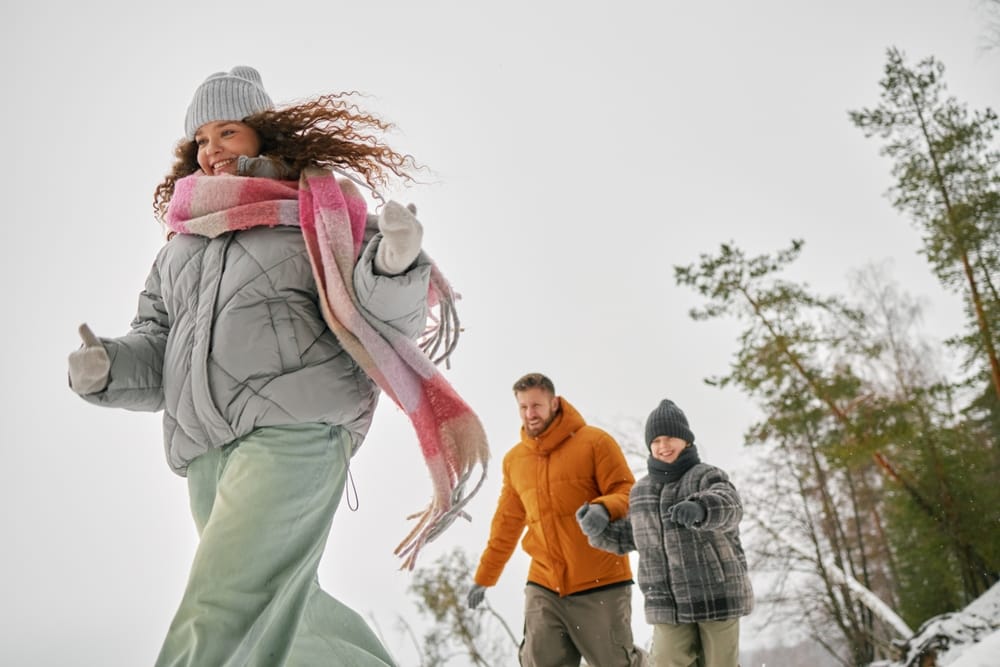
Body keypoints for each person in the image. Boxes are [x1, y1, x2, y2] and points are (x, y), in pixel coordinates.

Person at [67, 66, 487, 667]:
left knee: (224, 601)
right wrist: (107, 368)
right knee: (290, 609)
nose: (211, 151)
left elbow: (377, 315)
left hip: (298, 431)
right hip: (206, 451)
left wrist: (395, 264)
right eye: (201, 140)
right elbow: (156, 346)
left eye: (227, 132)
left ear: (264, 135)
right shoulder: (179, 247)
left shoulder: (312, 213)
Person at [467, 372, 647, 666]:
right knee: (539, 661)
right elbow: (507, 523)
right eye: (523, 407)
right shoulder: (515, 461)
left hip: (600, 581)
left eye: (536, 405)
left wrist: (604, 508)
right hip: (545, 585)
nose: (530, 414)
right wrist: (485, 577)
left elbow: (627, 491)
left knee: (616, 662)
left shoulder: (595, 443)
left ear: (554, 403)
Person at [578, 398, 753, 667]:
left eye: (670, 438)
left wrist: (701, 508)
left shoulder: (706, 476)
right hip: (667, 603)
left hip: (716, 595)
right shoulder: (641, 492)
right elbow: (630, 536)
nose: (664, 446)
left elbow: (730, 505)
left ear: (686, 441)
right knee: (665, 661)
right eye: (657, 440)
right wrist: (598, 530)